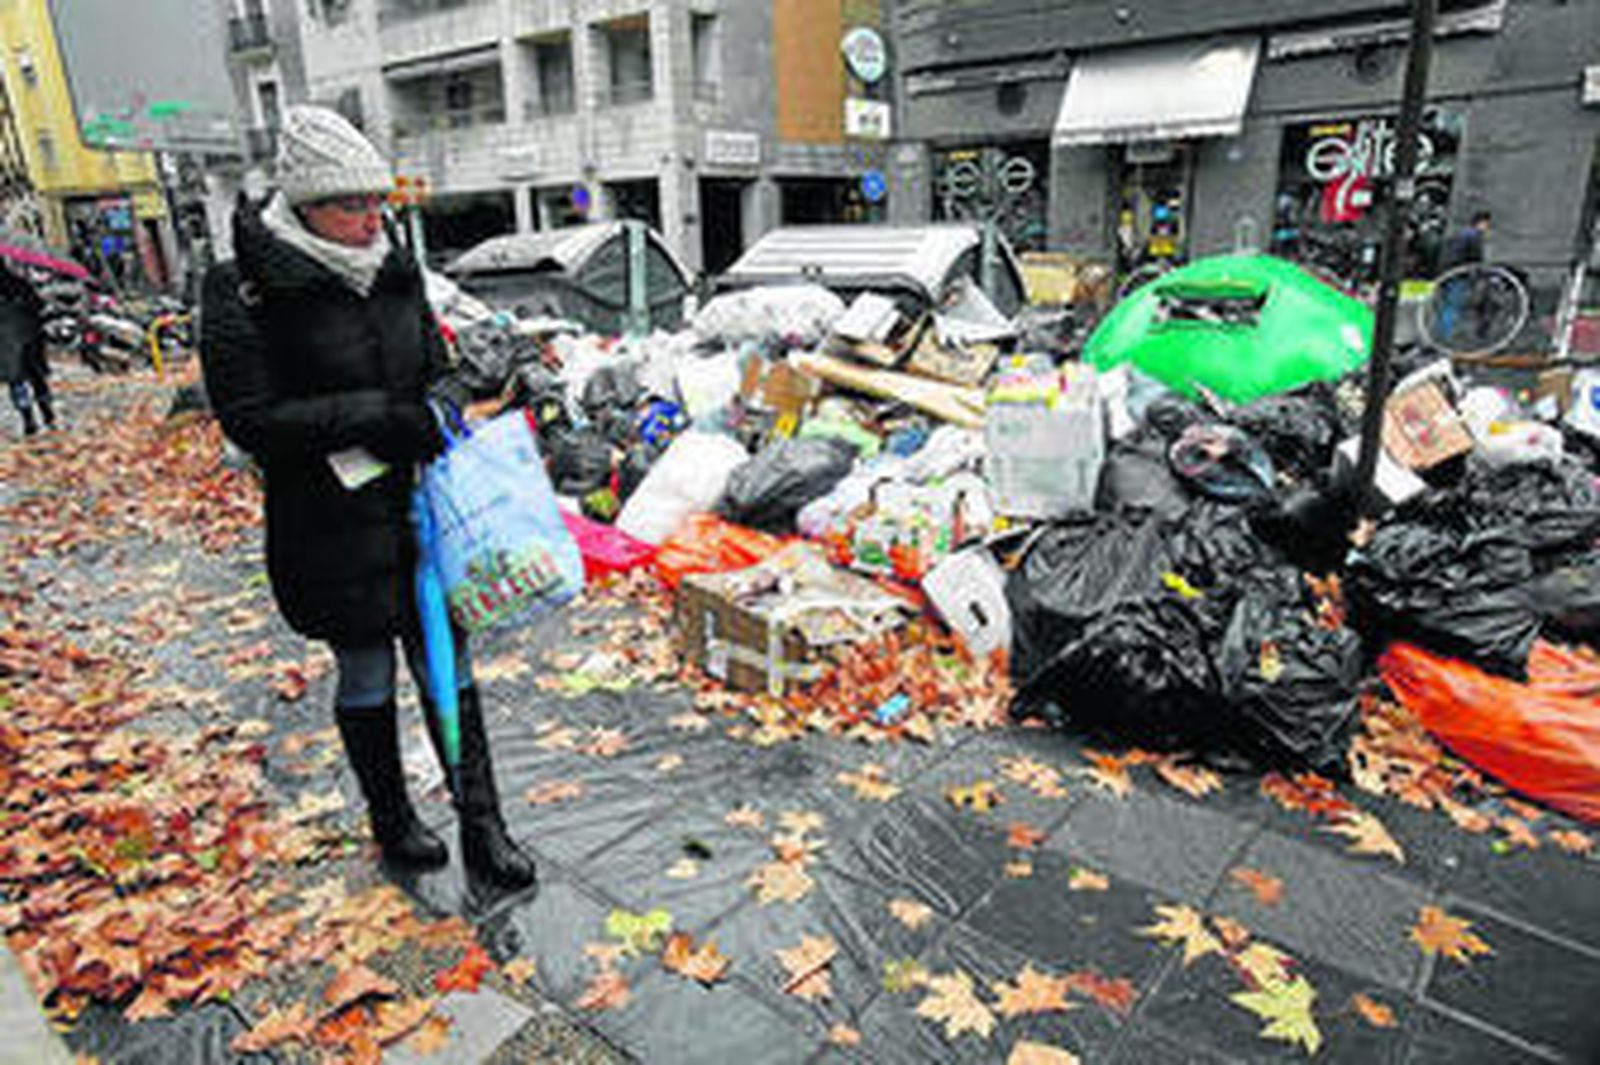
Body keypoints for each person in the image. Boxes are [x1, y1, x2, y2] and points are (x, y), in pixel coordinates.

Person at [198, 106, 536, 892]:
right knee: (365, 672)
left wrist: (442, 405)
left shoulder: (395, 264)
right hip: (329, 527)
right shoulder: (243, 286)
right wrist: (377, 419)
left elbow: (438, 365)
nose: (370, 220)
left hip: (422, 512)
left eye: (377, 202)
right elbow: (249, 418)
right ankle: (394, 822)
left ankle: (484, 824)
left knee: (448, 666)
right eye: (351, 205)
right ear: (306, 200)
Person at [0, 263, 54, 436]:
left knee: (16, 380)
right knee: (37, 377)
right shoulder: (19, 283)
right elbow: (39, 305)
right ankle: (48, 414)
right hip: (29, 336)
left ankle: (28, 419)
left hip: (6, 343)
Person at [1436, 209, 1492, 347]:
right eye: (1487, 225)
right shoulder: (1473, 237)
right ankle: (1445, 337)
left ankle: (1442, 334)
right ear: (1481, 223)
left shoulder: (1459, 235)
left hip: (1445, 272)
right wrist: (1480, 276)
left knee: (1447, 305)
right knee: (1453, 305)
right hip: (1458, 274)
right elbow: (1476, 260)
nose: (1487, 229)